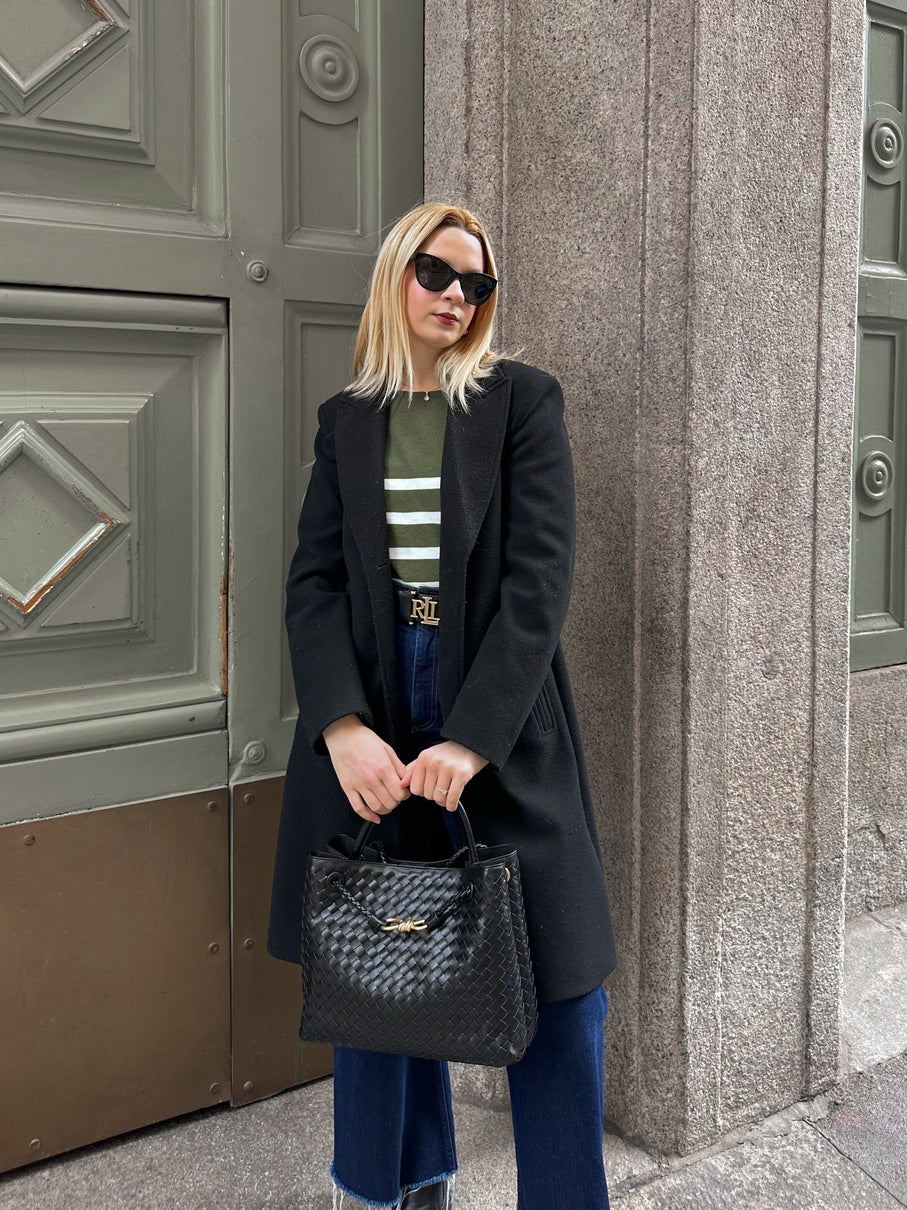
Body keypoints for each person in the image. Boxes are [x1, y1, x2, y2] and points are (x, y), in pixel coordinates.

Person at [268, 202, 616, 1210]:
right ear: (397, 274)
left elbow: (539, 582)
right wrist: (340, 728)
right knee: (376, 960)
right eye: (436, 272)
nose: (457, 295)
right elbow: (314, 582)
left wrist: (471, 737)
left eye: (476, 283)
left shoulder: (521, 402)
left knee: (558, 981)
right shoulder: (347, 419)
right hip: (373, 700)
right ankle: (393, 1185)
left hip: (495, 701)